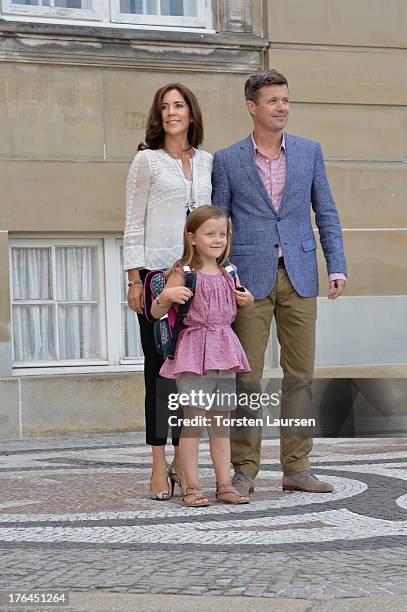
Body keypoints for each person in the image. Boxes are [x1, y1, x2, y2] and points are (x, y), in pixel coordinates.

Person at [212, 69, 347, 496]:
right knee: (247, 378)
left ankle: (297, 467)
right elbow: (218, 225)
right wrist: (221, 279)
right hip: (248, 284)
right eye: (273, 101)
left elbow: (325, 211)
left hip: (301, 276)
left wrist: (337, 266)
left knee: (300, 376)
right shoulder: (228, 159)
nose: (282, 107)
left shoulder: (309, 152)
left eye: (285, 100)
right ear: (252, 107)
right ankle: (245, 469)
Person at [123, 83, 213, 500]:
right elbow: (133, 222)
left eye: (179, 106)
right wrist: (133, 278)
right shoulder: (147, 161)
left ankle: (184, 460)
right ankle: (159, 463)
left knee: (190, 375)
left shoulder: (209, 162)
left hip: (197, 278)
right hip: (158, 277)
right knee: (158, 375)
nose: (172, 113)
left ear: (191, 114)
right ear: (158, 118)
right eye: (164, 107)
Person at [151, 205, 254, 507]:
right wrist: (166, 297)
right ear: (192, 237)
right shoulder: (182, 272)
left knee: (220, 424)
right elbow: (157, 311)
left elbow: (236, 305)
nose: (218, 239)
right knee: (193, 422)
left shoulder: (229, 272)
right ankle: (191, 486)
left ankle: (224, 484)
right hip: (195, 351)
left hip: (224, 348)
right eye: (210, 233)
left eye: (222, 234)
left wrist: (246, 301)